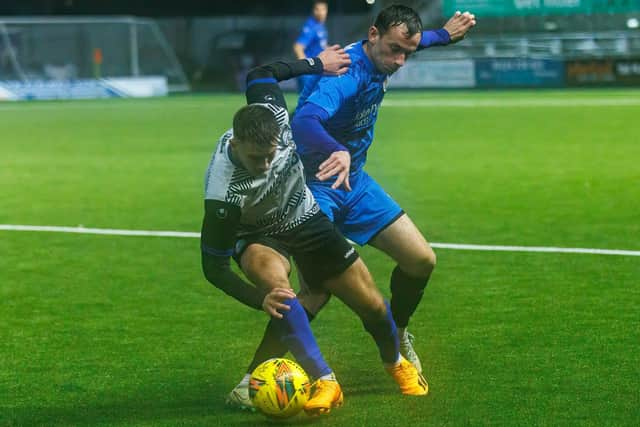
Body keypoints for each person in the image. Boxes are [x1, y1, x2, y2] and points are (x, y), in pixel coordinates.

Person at [226, 5, 476, 410]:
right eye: (394, 49)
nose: (399, 61)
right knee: (316, 291)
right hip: (312, 189)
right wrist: (336, 149)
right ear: (372, 35)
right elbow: (305, 120)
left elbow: (412, 41)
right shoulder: (344, 74)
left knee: (421, 260)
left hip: (354, 184)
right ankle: (250, 379)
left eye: (406, 54)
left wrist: (442, 35)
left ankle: (399, 333)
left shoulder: (388, 52)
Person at [202, 45, 427, 416]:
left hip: (304, 216)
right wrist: (257, 299)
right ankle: (325, 380)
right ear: (236, 143)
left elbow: (260, 72)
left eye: (271, 154)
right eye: (256, 158)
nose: (266, 164)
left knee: (371, 304)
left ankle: (395, 363)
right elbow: (214, 267)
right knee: (280, 288)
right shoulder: (224, 196)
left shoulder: (272, 110)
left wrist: (316, 64)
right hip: (259, 233)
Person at [293, 0, 329, 93]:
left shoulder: (321, 26)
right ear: (313, 11)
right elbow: (298, 47)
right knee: (308, 103)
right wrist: (306, 67)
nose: (320, 12)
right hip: (309, 72)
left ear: (326, 11)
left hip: (317, 70)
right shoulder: (311, 26)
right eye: (317, 9)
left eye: (323, 9)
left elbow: (321, 46)